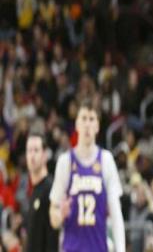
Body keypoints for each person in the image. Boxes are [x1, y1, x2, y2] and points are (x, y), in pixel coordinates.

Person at [49, 101, 125, 252]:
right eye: (83, 118)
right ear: (77, 124)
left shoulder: (106, 160)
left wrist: (121, 249)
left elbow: (116, 213)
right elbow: (53, 218)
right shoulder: (65, 162)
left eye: (91, 119)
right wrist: (60, 214)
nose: (87, 124)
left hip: (98, 248)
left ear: (97, 126)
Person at [25, 131, 59, 252]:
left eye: (36, 150)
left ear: (44, 155)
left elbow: (54, 236)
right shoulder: (34, 190)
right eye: (29, 151)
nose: (32, 155)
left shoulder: (50, 188)